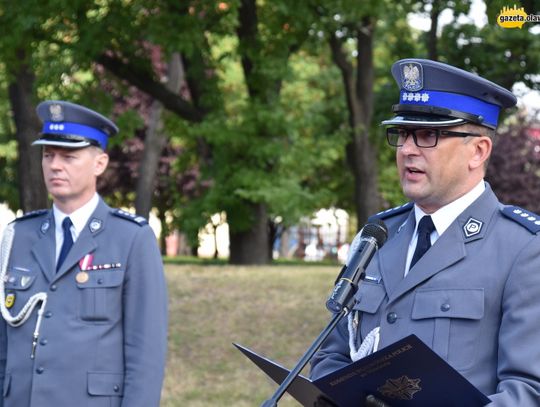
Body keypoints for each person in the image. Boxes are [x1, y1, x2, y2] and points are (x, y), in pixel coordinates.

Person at [310, 58, 540, 406]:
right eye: (402, 134)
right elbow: (332, 353)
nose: (406, 149)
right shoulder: (377, 236)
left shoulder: (522, 248)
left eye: (428, 135)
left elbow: (527, 391)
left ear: (478, 151)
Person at [0, 101, 168, 407]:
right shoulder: (18, 236)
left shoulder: (130, 239)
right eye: (48, 155)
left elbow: (146, 357)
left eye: (69, 156)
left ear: (99, 164)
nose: (54, 166)